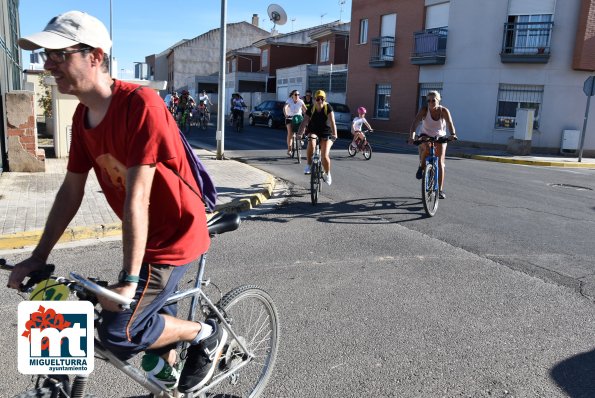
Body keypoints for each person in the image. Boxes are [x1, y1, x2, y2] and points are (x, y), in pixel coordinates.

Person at [9, 11, 226, 394]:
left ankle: (205, 334)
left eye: (60, 55)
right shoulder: (82, 117)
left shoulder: (141, 105)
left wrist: (127, 280)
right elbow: (71, 191)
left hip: (171, 240)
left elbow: (137, 196)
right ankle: (169, 373)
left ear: (94, 56)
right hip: (142, 238)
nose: (49, 65)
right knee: (146, 340)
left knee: (118, 331)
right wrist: (39, 255)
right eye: (47, 55)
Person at [408, 90, 457, 199]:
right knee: (425, 146)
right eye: (428, 100)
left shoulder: (444, 111)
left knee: (440, 162)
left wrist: (453, 134)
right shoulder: (424, 110)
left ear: (438, 100)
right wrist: (412, 137)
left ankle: (439, 190)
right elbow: (415, 123)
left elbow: (450, 124)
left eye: (433, 100)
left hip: (440, 136)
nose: (431, 103)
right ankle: (421, 166)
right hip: (425, 134)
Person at [298, 89, 338, 185]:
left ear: (324, 99)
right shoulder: (311, 108)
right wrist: (300, 133)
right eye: (318, 99)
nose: (320, 101)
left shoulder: (328, 107)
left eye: (322, 99)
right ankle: (308, 164)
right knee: (311, 141)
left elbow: (332, 122)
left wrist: (335, 134)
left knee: (324, 156)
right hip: (314, 131)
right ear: (314, 99)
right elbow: (304, 122)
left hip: (326, 133)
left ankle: (328, 174)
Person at [283, 89, 307, 156]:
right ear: (292, 95)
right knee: (290, 133)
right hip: (290, 118)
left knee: (304, 124)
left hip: (298, 118)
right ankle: (289, 149)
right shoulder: (289, 100)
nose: (297, 96)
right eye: (295, 94)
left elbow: (305, 110)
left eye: (298, 95)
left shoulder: (300, 101)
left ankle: (301, 138)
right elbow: (285, 107)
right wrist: (286, 115)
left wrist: (307, 116)